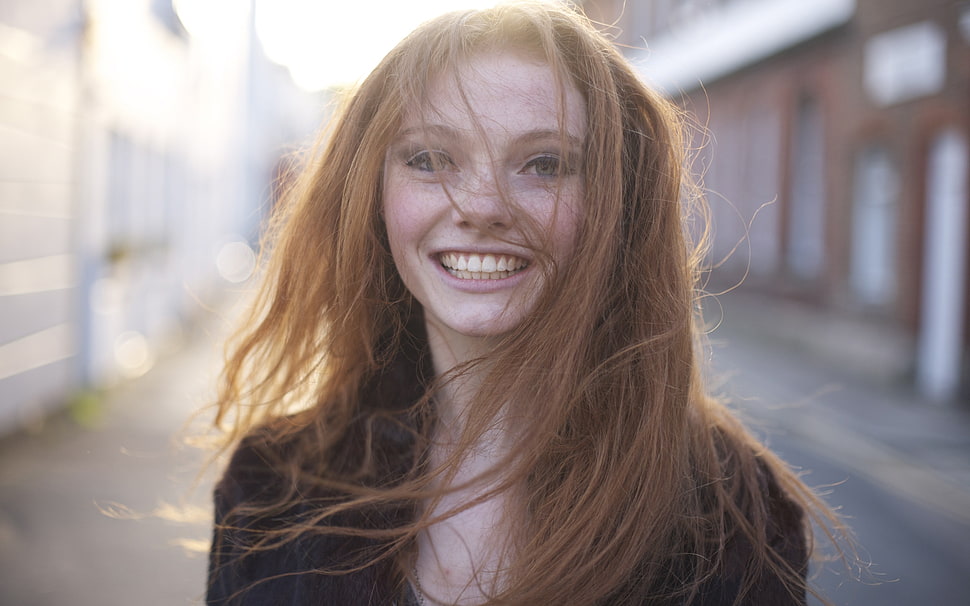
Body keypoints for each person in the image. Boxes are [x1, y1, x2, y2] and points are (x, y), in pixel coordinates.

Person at [206, 2, 848, 604]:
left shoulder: (730, 515)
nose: (481, 207)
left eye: (544, 164)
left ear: (616, 207)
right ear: (371, 192)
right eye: (430, 159)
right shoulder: (274, 485)